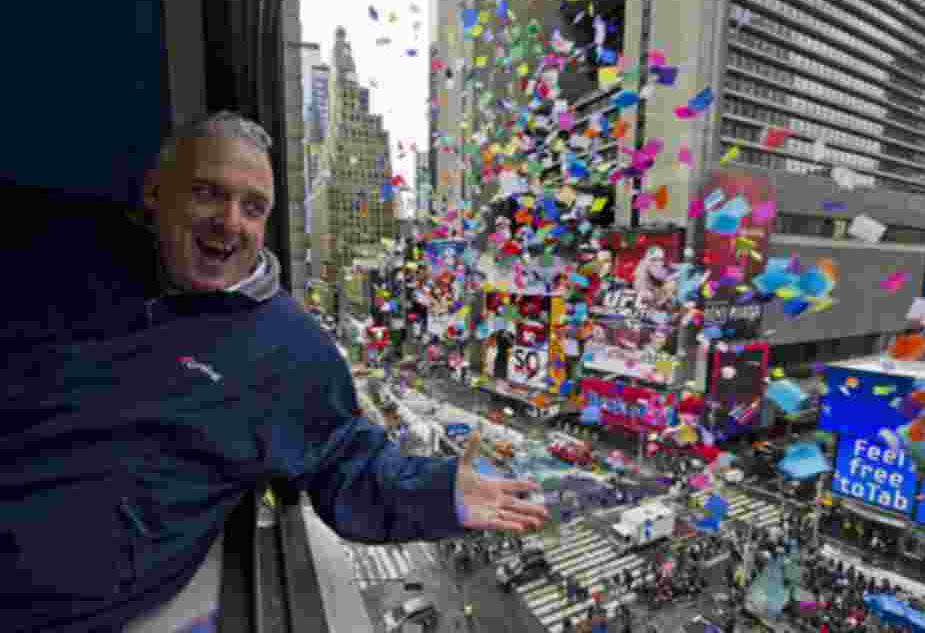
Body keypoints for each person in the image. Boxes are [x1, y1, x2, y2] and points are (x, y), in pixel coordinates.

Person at [0, 112, 549, 632]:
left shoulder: (288, 348)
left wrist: (442, 494)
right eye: (207, 192)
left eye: (254, 207)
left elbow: (347, 464)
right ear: (154, 192)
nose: (228, 222)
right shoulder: (56, 259)